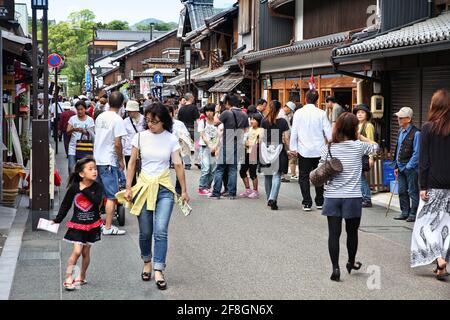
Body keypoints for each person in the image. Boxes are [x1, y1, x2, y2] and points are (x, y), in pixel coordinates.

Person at [117, 103, 190, 290]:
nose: (150, 124)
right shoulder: (139, 137)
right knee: (145, 232)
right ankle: (146, 261)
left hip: (164, 188)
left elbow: (178, 165)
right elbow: (132, 163)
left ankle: (158, 268)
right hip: (143, 187)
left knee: (160, 230)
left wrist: (184, 190)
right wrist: (128, 187)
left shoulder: (171, 139)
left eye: (155, 121)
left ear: (164, 121)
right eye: (148, 121)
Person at [321, 113, 379, 282]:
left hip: (332, 196)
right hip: (352, 196)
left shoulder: (329, 147)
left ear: (337, 127)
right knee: (352, 232)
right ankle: (351, 262)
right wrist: (361, 137)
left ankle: (335, 268)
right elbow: (375, 147)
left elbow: (320, 169)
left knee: (334, 234)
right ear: (354, 128)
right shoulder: (358, 146)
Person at [411, 89, 450, 280]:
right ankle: (441, 265)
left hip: (433, 184)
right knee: (446, 225)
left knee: (426, 225)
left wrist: (422, 186)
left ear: (434, 105)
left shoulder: (427, 128)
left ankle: (439, 257)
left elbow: (423, 160)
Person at [51, 157, 104, 291]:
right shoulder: (74, 188)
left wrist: (85, 189)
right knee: (77, 250)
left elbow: (97, 201)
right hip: (77, 225)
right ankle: (69, 277)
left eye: (95, 169)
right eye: (90, 169)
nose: (94, 171)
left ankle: (82, 276)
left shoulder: (97, 187)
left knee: (86, 252)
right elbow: (66, 205)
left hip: (92, 225)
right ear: (81, 174)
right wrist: (57, 219)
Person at [290, 90, 332, 211]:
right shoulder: (321, 113)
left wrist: (293, 148)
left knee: (303, 176)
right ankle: (319, 201)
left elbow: (294, 132)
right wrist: (331, 143)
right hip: (319, 150)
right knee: (319, 175)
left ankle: (307, 202)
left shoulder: (298, 113)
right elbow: (328, 133)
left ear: (306, 99)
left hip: (304, 150)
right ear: (317, 100)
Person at [94, 91, 127, 235]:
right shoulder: (118, 119)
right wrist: (120, 160)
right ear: (121, 104)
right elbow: (118, 143)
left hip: (97, 159)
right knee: (112, 196)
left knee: (98, 194)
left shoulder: (100, 116)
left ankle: (95, 223)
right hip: (108, 161)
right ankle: (107, 227)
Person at [210, 94, 249, 200]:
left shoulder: (226, 113)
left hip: (227, 143)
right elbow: (246, 131)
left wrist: (217, 111)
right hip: (238, 144)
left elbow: (215, 122)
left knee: (220, 169)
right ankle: (232, 194)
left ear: (227, 103)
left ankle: (216, 193)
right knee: (233, 169)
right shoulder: (244, 115)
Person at [260, 100, 290, 210]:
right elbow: (286, 138)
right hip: (278, 148)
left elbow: (261, 137)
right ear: (279, 109)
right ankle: (272, 198)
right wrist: (288, 149)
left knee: (267, 175)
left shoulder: (264, 121)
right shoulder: (283, 122)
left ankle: (269, 199)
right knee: (277, 175)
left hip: (266, 149)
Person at [393, 107, 421, 223]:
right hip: (400, 167)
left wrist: (409, 166)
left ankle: (413, 213)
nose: (398, 119)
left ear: (408, 119)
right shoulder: (400, 131)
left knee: (413, 191)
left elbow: (417, 153)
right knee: (401, 191)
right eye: (398, 117)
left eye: (401, 117)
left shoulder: (417, 133)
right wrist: (396, 166)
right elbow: (398, 149)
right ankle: (405, 212)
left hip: (411, 168)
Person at [353, 104, 376, 208]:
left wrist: (371, 157)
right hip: (357, 155)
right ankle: (363, 197)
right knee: (358, 177)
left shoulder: (368, 126)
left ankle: (367, 198)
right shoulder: (356, 125)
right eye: (358, 113)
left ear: (367, 115)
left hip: (364, 155)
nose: (360, 114)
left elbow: (371, 141)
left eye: (362, 112)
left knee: (360, 177)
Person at [66, 100, 95, 175]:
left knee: (84, 168)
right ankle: (72, 184)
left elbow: (92, 134)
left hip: (85, 147)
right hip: (73, 147)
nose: (80, 111)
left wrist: (84, 131)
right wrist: (74, 129)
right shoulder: (72, 119)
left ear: (85, 109)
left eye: (81, 109)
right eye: (78, 109)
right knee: (71, 167)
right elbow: (67, 132)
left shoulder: (90, 120)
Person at [239, 112, 263, 199]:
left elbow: (259, 143)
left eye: (254, 119)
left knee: (252, 172)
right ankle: (248, 190)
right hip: (246, 151)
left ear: (258, 121)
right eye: (251, 119)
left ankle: (255, 191)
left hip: (254, 152)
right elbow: (245, 139)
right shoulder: (249, 129)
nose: (251, 121)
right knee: (242, 171)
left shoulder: (261, 130)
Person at [123, 100, 145, 186]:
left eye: (130, 111)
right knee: (131, 174)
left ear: (136, 110)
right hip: (129, 151)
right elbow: (124, 138)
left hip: (142, 151)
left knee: (142, 173)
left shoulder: (145, 120)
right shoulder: (125, 122)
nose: (129, 113)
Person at [197, 104, 218, 196]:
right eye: (207, 111)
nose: (209, 113)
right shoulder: (202, 122)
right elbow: (202, 135)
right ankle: (202, 187)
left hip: (215, 147)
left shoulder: (217, 122)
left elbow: (219, 135)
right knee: (206, 168)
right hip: (205, 147)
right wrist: (210, 145)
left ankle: (208, 187)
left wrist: (215, 146)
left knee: (213, 169)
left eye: (211, 111)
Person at [177, 93, 199, 170]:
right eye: (193, 97)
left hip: (184, 130)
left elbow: (179, 121)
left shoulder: (181, 109)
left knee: (185, 146)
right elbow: (197, 120)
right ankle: (198, 161)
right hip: (193, 128)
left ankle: (187, 164)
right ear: (190, 98)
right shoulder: (194, 108)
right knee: (197, 145)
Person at [278, 101, 296, 183]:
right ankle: (281, 175)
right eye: (291, 110)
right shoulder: (282, 115)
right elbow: (285, 131)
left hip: (284, 138)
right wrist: (288, 145)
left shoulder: (285, 115)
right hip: (283, 139)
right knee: (283, 158)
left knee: (283, 158)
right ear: (287, 107)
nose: (291, 112)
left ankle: (281, 174)